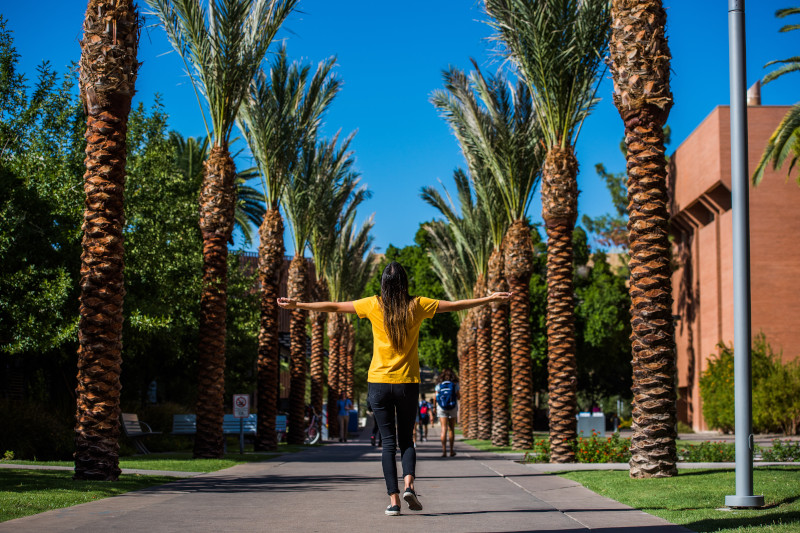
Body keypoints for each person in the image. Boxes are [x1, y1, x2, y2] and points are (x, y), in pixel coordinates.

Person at [277, 261, 510, 516]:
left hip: (378, 383)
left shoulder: (373, 304)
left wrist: (298, 305)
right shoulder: (417, 305)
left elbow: (334, 306)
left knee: (388, 443)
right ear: (404, 282)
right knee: (406, 440)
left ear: (383, 285)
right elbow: (455, 305)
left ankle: (394, 501)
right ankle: (409, 485)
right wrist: (489, 298)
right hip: (407, 383)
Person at [435, 368, 460, 457]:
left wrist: (435, 407)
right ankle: (451, 451)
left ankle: (444, 451)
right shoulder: (455, 384)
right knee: (451, 429)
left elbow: (436, 397)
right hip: (452, 407)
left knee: (443, 429)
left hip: (442, 408)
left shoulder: (439, 384)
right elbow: (458, 396)